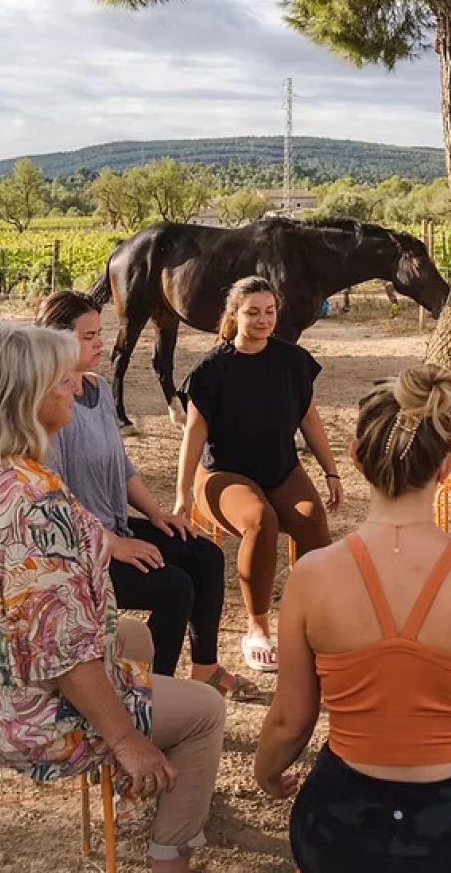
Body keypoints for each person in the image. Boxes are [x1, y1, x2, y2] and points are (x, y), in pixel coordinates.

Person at [254, 364, 451, 873]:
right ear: (446, 466)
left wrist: (267, 772)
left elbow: (291, 720)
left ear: (356, 458)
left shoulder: (311, 577)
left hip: (342, 822)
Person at [0, 322, 226, 873]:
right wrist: (126, 738)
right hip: (19, 707)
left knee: (136, 640)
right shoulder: (36, 505)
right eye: (61, 379)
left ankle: (140, 788)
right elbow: (65, 657)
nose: (74, 386)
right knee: (205, 710)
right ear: (28, 398)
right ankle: (170, 856)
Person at [35, 292, 252, 700]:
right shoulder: (48, 404)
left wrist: (155, 514)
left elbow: (122, 466)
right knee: (174, 587)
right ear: (57, 341)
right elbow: (54, 500)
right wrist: (113, 544)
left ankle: (204, 668)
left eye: (99, 333)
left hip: (114, 527)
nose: (100, 343)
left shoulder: (99, 389)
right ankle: (153, 694)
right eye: (88, 336)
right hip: (77, 547)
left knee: (205, 556)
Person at [174, 276, 342, 674]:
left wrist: (332, 472)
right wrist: (182, 494)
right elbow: (194, 435)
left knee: (312, 522)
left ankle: (311, 623)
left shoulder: (293, 361)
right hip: (223, 475)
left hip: (280, 470)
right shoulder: (212, 369)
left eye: (270, 311)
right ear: (235, 315)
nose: (263, 320)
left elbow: (310, 420)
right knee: (260, 519)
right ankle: (257, 629)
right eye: (253, 313)